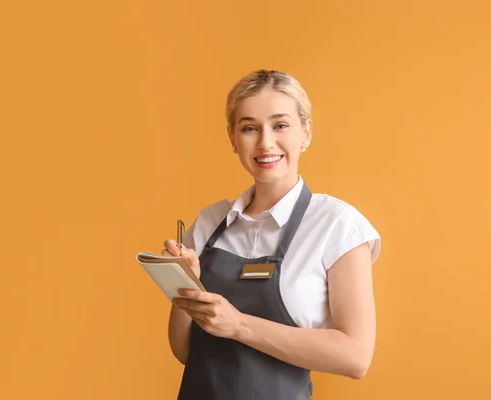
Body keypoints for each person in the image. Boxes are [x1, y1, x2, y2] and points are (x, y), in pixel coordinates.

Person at [162, 69, 382, 400]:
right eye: (249, 128)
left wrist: (238, 325)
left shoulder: (337, 225)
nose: (265, 142)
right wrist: (182, 285)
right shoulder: (209, 221)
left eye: (280, 125)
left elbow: (356, 357)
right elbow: (185, 352)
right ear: (233, 139)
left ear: (305, 132)